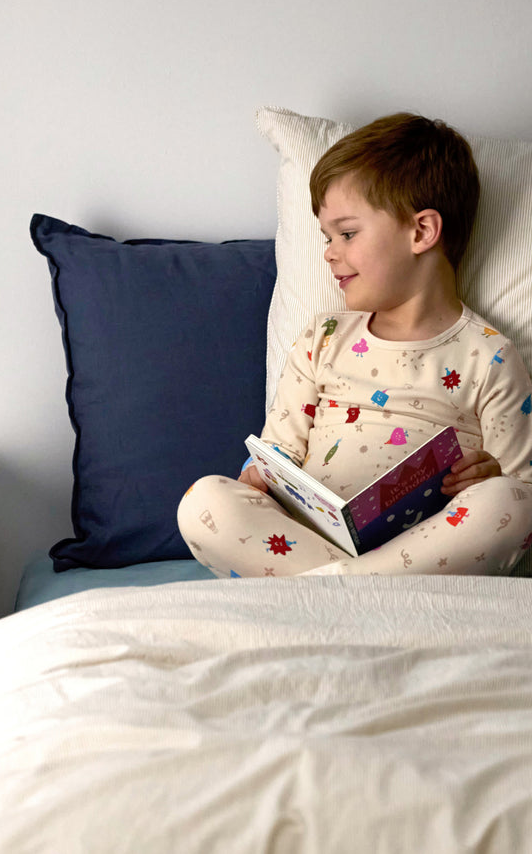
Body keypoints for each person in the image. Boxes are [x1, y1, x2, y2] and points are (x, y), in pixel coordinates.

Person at [178, 113, 532, 577]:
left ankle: (331, 592)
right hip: (305, 537)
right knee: (204, 499)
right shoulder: (322, 338)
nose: (328, 250)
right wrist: (261, 476)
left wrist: (486, 476)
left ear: (422, 232)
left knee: (513, 504)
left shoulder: (490, 357)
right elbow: (278, 450)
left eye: (346, 233)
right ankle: (359, 593)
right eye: (326, 237)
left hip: (422, 553)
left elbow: (518, 483)